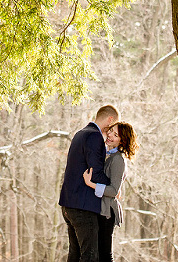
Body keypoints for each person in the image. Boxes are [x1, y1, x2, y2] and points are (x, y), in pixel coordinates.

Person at [59, 105, 120, 262]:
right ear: (110, 119)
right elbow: (95, 173)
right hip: (83, 207)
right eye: (112, 127)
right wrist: (112, 187)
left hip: (69, 204)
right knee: (90, 256)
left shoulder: (80, 134)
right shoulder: (94, 137)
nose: (111, 131)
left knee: (75, 254)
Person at [83, 122, 138, 262]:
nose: (110, 135)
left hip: (108, 212)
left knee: (105, 254)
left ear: (122, 140)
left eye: (116, 135)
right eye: (111, 131)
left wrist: (91, 184)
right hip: (102, 209)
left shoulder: (118, 159)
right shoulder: (109, 155)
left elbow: (114, 190)